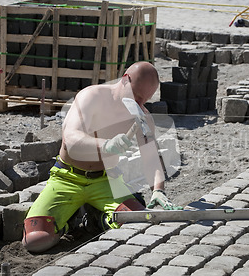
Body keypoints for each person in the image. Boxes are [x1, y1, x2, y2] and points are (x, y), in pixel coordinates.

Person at [22, 62, 181, 253]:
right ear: (125, 80)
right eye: (136, 97)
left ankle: (98, 219)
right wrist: (106, 145)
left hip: (107, 181)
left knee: (138, 226)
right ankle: (69, 221)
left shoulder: (141, 117)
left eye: (144, 101)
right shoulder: (92, 96)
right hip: (67, 178)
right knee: (35, 240)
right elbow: (71, 139)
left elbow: (151, 158)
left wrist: (158, 190)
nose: (138, 105)